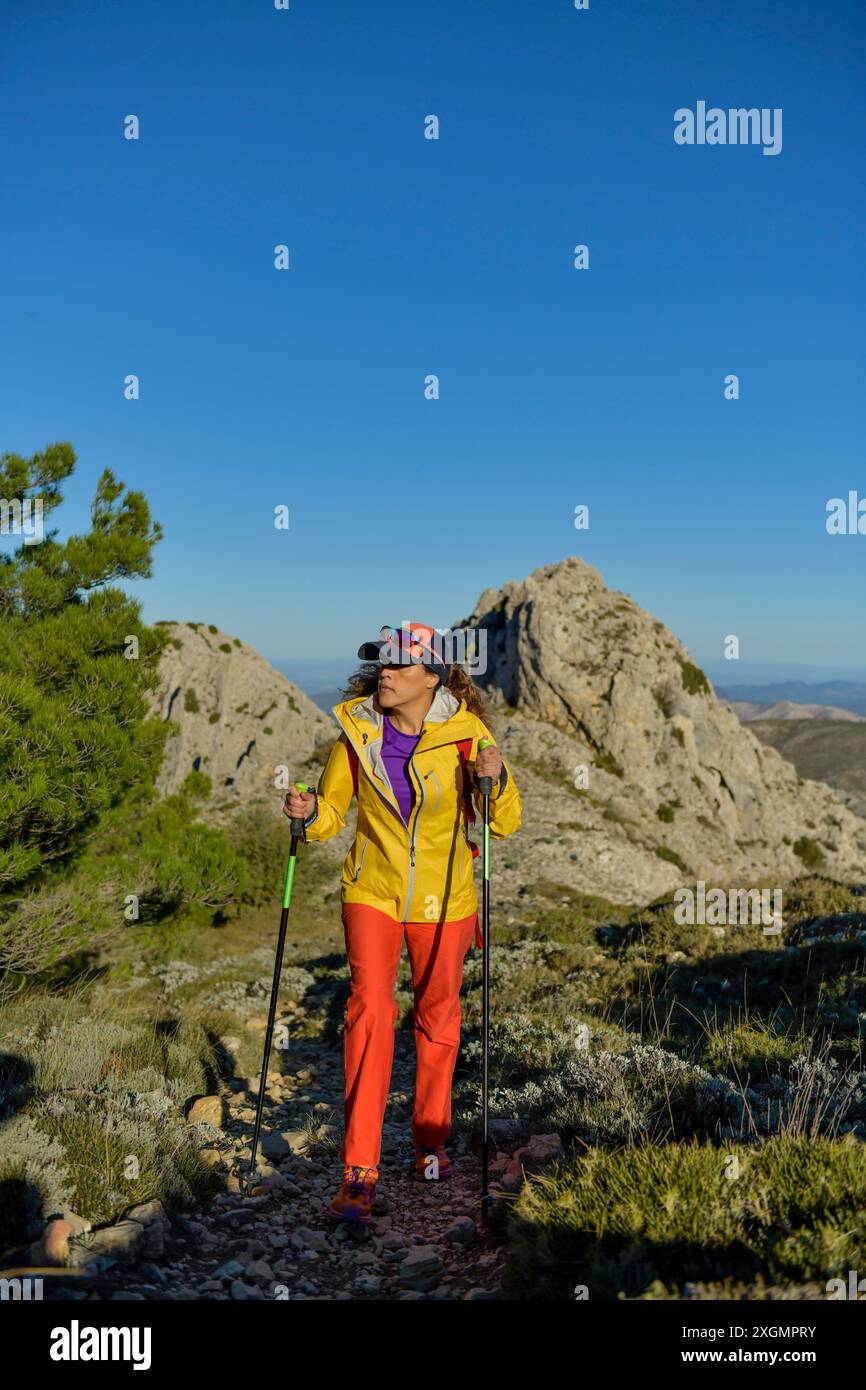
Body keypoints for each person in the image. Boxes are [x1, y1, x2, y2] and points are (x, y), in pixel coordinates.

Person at [283, 621, 522, 1224]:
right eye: (380, 664)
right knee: (369, 1009)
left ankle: (431, 1142)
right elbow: (332, 814)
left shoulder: (468, 737)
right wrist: (309, 813)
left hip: (448, 897)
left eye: (398, 665)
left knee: (438, 1014)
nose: (385, 674)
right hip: (373, 889)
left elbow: (502, 823)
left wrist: (495, 782)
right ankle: (358, 1170)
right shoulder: (356, 734)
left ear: (432, 676)